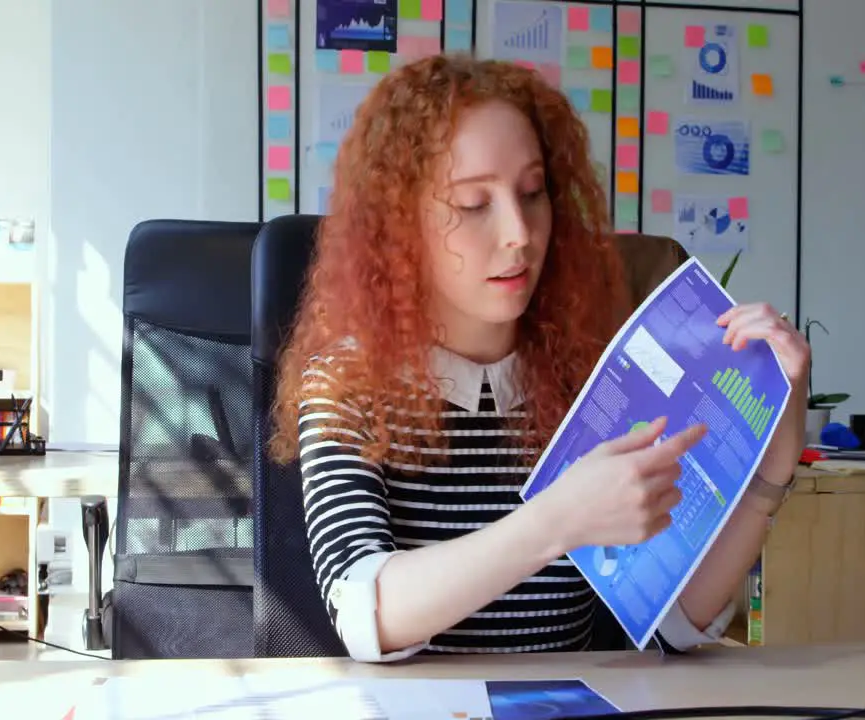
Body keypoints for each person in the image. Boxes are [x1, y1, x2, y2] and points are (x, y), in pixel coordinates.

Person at [269, 54, 811, 661]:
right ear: (402, 230)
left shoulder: (586, 373)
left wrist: (775, 459)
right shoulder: (348, 383)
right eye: (474, 204)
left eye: (532, 194)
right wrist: (557, 520)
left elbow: (676, 619)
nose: (519, 234)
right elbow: (368, 616)